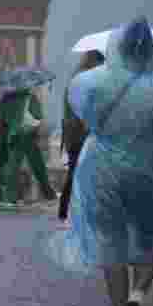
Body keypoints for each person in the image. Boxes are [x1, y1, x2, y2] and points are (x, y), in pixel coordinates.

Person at [46, 17, 153, 306]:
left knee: (110, 245)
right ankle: (138, 295)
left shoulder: (89, 81)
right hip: (145, 168)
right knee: (149, 239)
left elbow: (80, 114)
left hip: (101, 168)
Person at [59, 50, 106, 223]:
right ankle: (67, 210)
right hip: (79, 133)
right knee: (79, 172)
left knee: (79, 171)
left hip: (74, 133)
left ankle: (67, 210)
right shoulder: (83, 81)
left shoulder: (78, 78)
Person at [0, 84, 57, 206]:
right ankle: (49, 194)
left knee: (13, 166)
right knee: (37, 166)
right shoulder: (31, 98)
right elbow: (38, 116)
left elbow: (2, 117)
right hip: (28, 135)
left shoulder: (7, 99)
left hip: (15, 136)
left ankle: (10, 198)